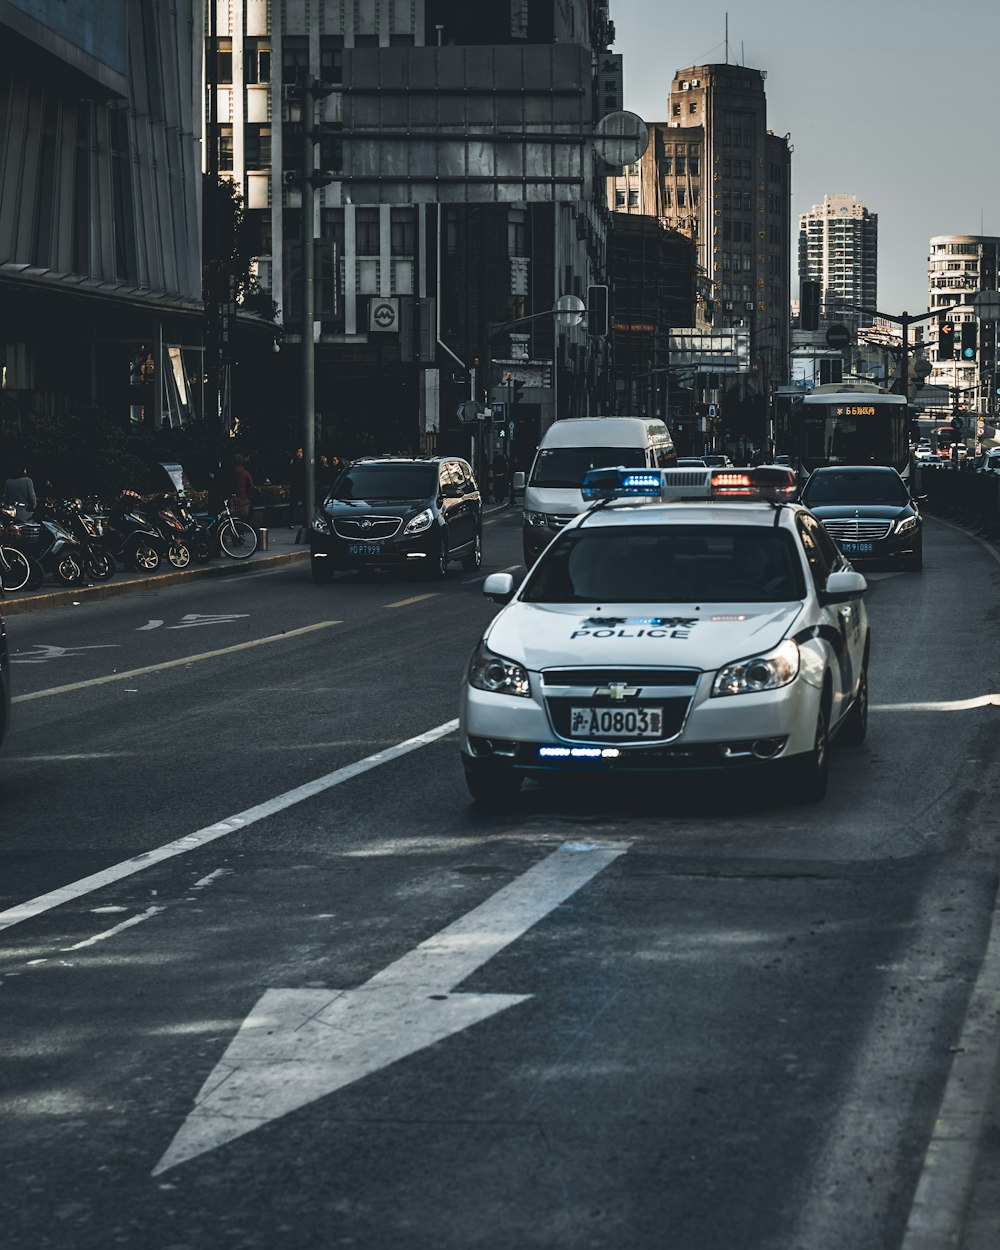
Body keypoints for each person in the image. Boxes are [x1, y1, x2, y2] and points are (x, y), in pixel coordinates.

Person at [229, 453, 255, 520]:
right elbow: (251, 486)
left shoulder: (230, 472)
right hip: (243, 499)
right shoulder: (245, 473)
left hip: (233, 500)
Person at [288, 446, 306, 527]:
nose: (299, 454)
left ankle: (305, 521)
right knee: (292, 504)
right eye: (298, 452)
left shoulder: (305, 462)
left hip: (302, 486)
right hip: (295, 486)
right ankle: (290, 521)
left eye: (301, 452)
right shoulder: (293, 461)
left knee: (305, 504)